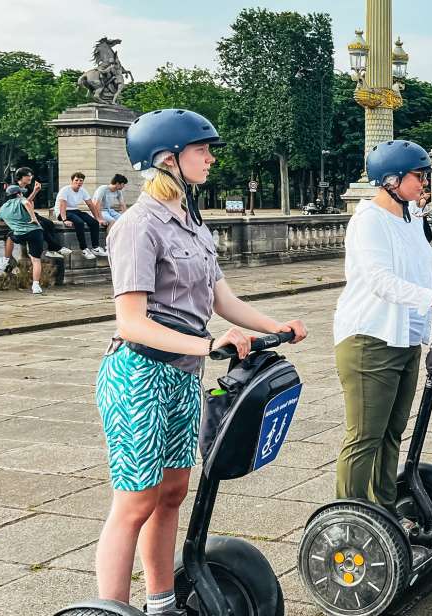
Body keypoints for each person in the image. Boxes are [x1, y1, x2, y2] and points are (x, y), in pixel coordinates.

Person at [94, 108, 307, 614]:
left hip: (182, 377)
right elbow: (132, 322)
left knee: (172, 493)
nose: (210, 158)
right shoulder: (137, 226)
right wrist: (207, 346)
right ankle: (108, 608)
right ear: (167, 159)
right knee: (135, 502)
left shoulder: (192, 223)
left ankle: (162, 603)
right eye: (201, 150)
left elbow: (221, 300)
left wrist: (273, 326)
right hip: (138, 375)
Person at [334, 139, 432, 512]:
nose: (425, 182)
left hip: (403, 338)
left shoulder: (410, 218)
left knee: (392, 432)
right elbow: (380, 280)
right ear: (391, 179)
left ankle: (383, 509)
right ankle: (348, 519)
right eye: (419, 176)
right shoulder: (368, 221)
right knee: (364, 435)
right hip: (368, 339)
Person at [0, 185, 45, 293]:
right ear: (18, 194)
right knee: (36, 260)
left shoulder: (3, 207)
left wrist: (8, 219)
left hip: (20, 233)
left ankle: (5, 261)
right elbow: (27, 203)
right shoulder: (21, 200)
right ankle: (36, 286)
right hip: (36, 232)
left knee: (10, 237)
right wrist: (33, 218)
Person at [11, 168, 72, 262]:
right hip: (20, 215)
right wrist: (35, 192)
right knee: (41, 225)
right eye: (28, 175)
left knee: (49, 223)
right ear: (21, 176)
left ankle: (51, 250)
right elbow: (22, 203)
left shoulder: (27, 188)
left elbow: (30, 203)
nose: (30, 177)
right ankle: (57, 247)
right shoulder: (14, 188)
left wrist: (34, 193)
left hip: (30, 213)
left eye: (31, 175)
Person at [56, 172, 106, 259]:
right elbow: (62, 205)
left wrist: (98, 218)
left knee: (93, 222)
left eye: (81, 181)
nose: (78, 182)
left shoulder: (83, 190)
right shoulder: (65, 190)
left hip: (74, 210)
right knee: (79, 222)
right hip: (62, 212)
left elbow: (90, 205)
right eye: (76, 180)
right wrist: (64, 220)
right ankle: (84, 249)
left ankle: (95, 248)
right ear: (72, 181)